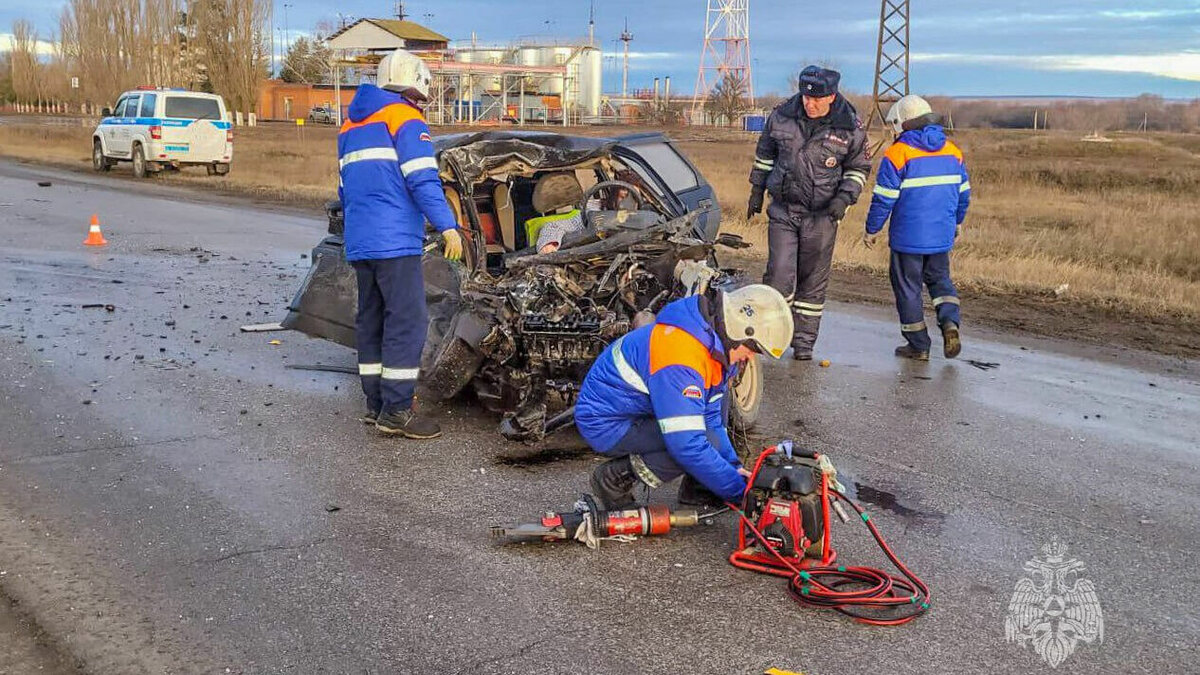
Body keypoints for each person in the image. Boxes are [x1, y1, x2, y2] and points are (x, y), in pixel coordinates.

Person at [574, 285, 793, 509]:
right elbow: (687, 444)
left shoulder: (712, 348)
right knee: (687, 446)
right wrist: (741, 494)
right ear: (739, 331)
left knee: (706, 433)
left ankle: (700, 487)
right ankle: (613, 479)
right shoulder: (681, 357)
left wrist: (733, 468)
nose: (750, 357)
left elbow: (711, 420)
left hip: (636, 411)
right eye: (753, 349)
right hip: (608, 423)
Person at [338, 49, 464, 438]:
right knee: (406, 321)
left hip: (361, 240)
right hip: (394, 241)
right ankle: (396, 410)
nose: (419, 102)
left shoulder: (350, 125)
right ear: (415, 84)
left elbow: (343, 189)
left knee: (372, 319)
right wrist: (447, 226)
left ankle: (376, 403)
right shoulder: (405, 118)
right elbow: (422, 178)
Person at [747, 65, 871, 361]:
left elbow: (858, 169)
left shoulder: (850, 126)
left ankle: (803, 344)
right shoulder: (781, 116)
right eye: (806, 97)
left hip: (823, 216)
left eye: (817, 99)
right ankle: (771, 334)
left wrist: (844, 198)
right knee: (778, 273)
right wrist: (756, 190)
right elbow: (765, 155)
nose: (810, 104)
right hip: (784, 210)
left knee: (812, 280)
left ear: (832, 96)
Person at [863, 94, 971, 361]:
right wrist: (957, 222)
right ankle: (949, 324)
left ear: (902, 123)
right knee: (940, 281)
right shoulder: (952, 151)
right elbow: (963, 194)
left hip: (907, 239)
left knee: (908, 288)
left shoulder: (898, 154)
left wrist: (872, 229)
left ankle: (918, 345)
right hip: (941, 236)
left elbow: (884, 198)